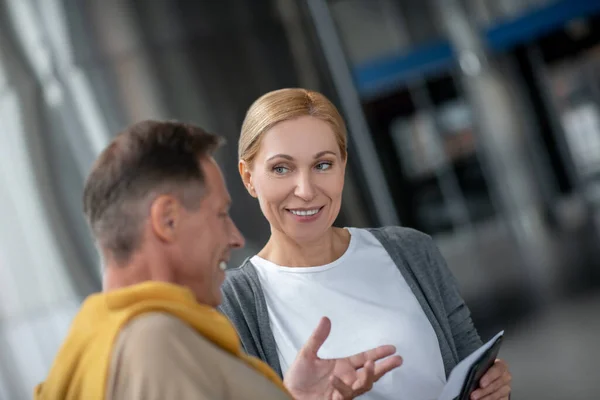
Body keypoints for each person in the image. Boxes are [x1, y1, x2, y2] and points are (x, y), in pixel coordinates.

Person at [34, 120, 402, 400]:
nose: (235, 238)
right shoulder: (156, 345)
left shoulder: (98, 346)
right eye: (220, 214)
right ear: (168, 220)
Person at [220, 88, 513, 400]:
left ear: (343, 165)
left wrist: (493, 388)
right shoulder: (233, 303)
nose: (305, 190)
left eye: (323, 165)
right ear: (249, 177)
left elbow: (471, 369)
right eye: (282, 168)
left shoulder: (411, 251)